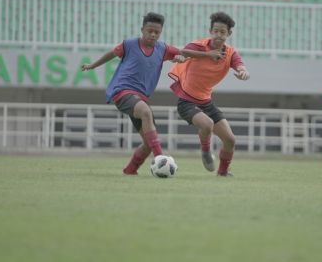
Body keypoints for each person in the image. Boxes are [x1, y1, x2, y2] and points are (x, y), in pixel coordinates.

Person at [81, 12, 221, 175]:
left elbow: (184, 52)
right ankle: (161, 158)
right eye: (150, 31)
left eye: (157, 32)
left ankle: (130, 170)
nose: (153, 34)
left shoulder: (162, 49)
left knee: (148, 142)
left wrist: (206, 55)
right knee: (146, 112)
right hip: (123, 91)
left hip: (141, 97)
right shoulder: (129, 44)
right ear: (142, 29)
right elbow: (111, 54)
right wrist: (92, 65)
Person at [168, 12, 250, 176]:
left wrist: (243, 72)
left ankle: (223, 172)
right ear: (210, 31)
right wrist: (188, 57)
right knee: (207, 125)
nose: (219, 35)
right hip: (187, 102)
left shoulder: (231, 53)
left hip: (206, 102)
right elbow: (183, 52)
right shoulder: (198, 45)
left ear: (229, 34)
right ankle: (206, 151)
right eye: (216, 31)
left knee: (230, 140)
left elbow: (240, 65)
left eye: (223, 32)